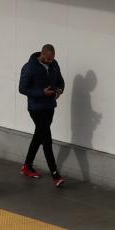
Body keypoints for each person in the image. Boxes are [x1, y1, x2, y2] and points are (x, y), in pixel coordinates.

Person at [19, 43, 65, 187]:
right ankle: (55, 175)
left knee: (39, 135)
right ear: (42, 55)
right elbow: (22, 88)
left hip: (50, 106)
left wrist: (59, 90)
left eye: (53, 59)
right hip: (36, 108)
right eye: (48, 59)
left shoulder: (54, 64)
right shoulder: (29, 67)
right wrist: (41, 93)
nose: (51, 62)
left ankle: (27, 166)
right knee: (46, 139)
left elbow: (60, 81)